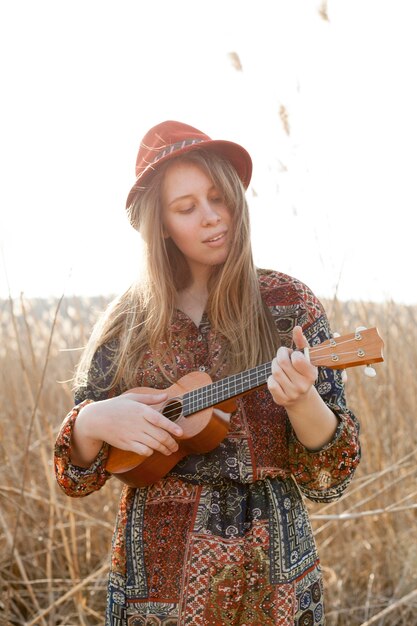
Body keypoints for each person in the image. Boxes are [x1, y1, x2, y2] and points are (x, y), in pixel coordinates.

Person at [54, 120, 361, 626]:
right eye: (186, 207)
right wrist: (91, 423)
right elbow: (74, 474)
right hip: (156, 573)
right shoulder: (127, 322)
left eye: (219, 197)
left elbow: (332, 475)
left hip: (273, 570)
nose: (212, 218)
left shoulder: (289, 304)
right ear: (160, 225)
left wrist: (304, 401)